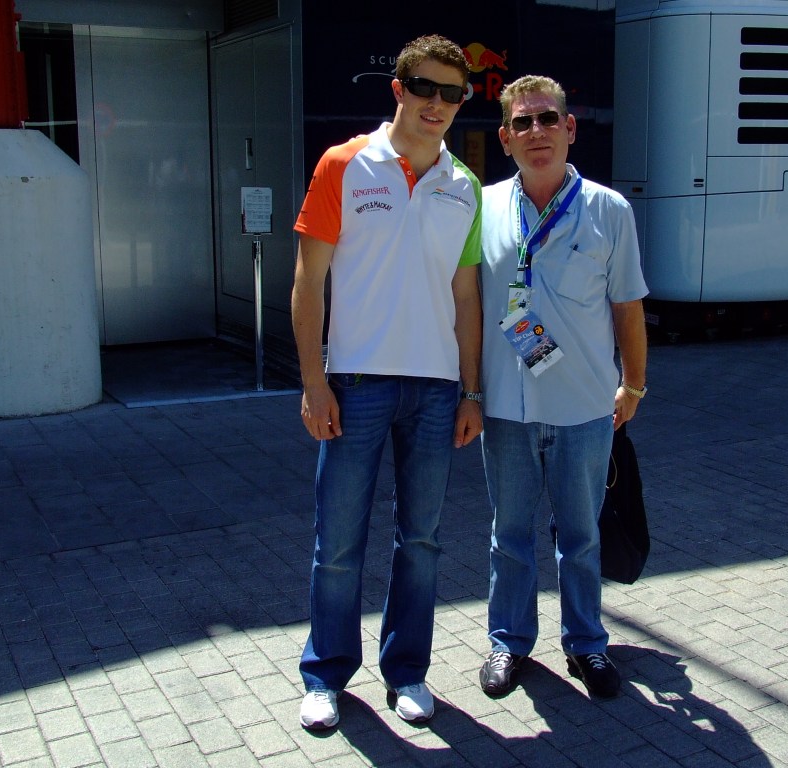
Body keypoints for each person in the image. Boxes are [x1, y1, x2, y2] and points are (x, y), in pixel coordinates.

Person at [290, 34, 483, 730]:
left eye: (452, 94)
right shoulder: (345, 163)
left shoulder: (463, 186)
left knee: (422, 543)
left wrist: (471, 391)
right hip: (357, 384)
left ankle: (408, 673)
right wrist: (314, 381)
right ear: (397, 89)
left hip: (435, 393)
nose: (437, 104)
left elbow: (466, 300)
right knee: (337, 543)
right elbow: (308, 283)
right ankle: (326, 676)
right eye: (425, 88)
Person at [477, 75, 648, 699]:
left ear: (569, 128)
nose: (536, 132)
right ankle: (508, 642)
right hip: (505, 408)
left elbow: (628, 308)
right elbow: (469, 304)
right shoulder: (484, 207)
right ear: (504, 138)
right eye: (521, 123)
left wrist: (635, 387)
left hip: (582, 408)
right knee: (509, 535)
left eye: (548, 119)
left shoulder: (608, 210)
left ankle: (586, 645)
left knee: (581, 538)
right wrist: (470, 394)